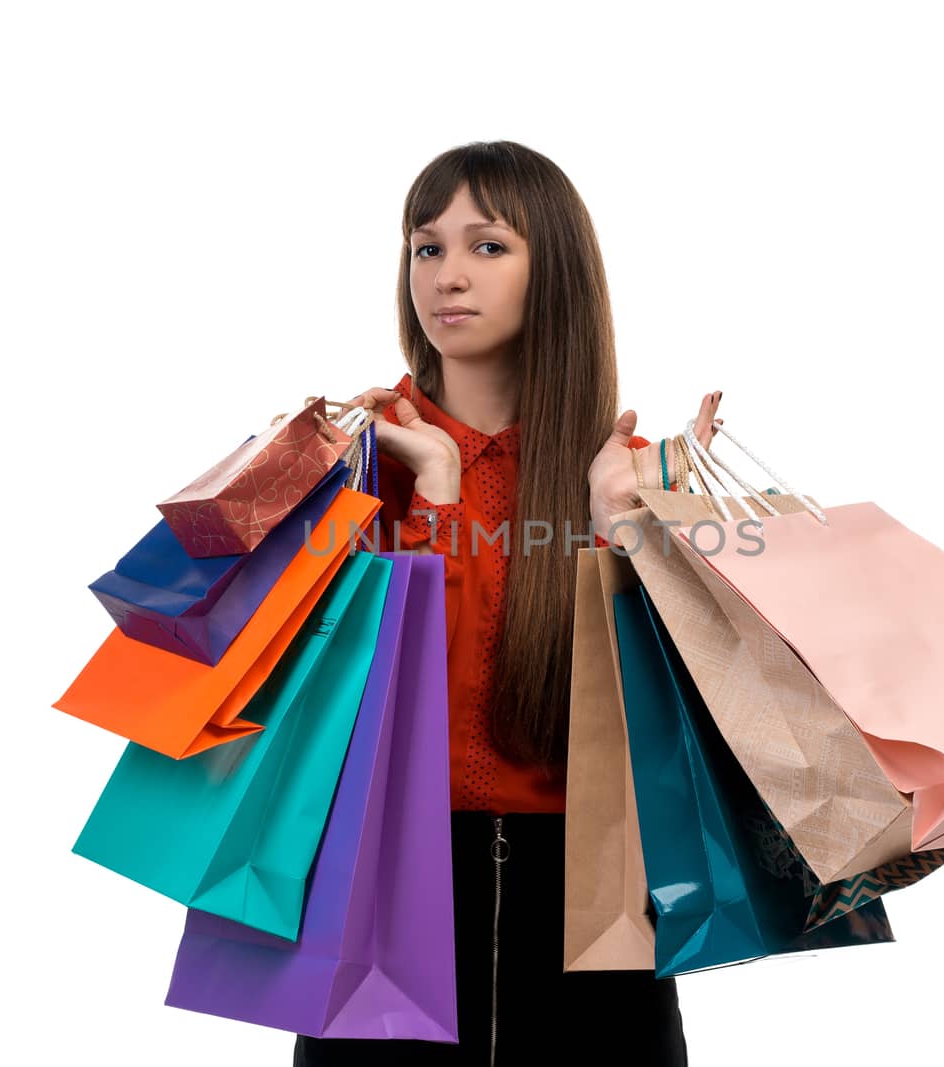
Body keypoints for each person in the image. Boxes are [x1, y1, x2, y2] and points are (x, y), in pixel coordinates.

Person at [294, 141, 720, 1067]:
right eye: (426, 246)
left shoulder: (620, 472)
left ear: (553, 268)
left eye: (488, 247)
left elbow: (668, 737)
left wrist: (626, 529)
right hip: (384, 893)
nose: (447, 276)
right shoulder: (348, 463)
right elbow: (372, 712)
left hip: (591, 907)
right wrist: (438, 496)